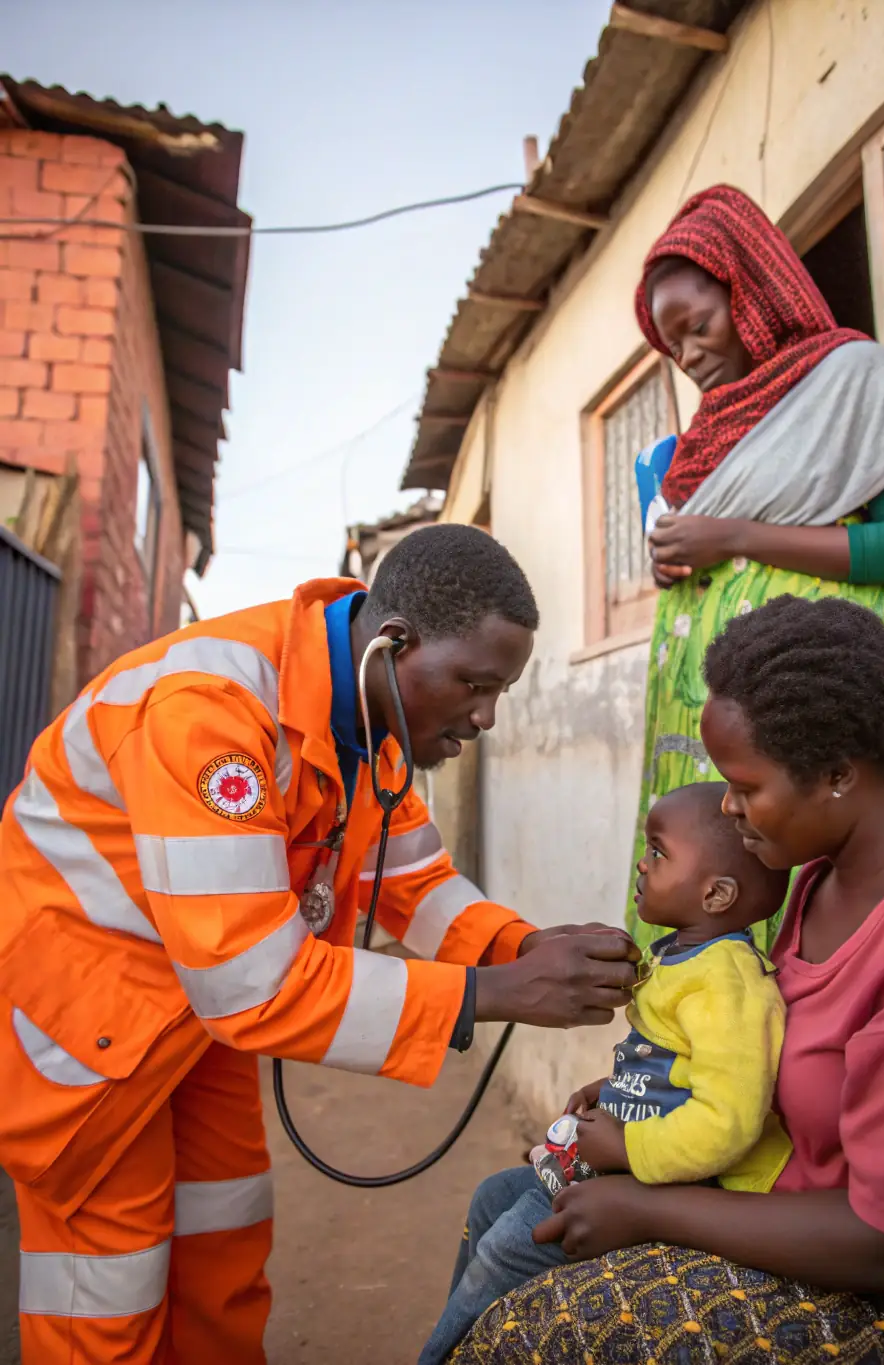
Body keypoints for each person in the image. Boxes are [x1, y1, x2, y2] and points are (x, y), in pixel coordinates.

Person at [0, 524, 639, 1365]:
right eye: (475, 684)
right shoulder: (207, 711)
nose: (485, 715)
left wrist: (524, 949)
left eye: (501, 690)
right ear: (393, 643)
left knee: (223, 1246)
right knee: (109, 1285)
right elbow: (250, 980)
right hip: (92, 1024)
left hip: (194, 1023)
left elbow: (416, 882)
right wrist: (498, 995)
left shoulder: (367, 719)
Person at [447, 595, 884, 1365]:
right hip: (775, 1203)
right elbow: (751, 1063)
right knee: (499, 1202)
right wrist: (642, 1094)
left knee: (536, 1322)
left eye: (746, 787)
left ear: (837, 775)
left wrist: (654, 1210)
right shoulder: (814, 878)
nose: (727, 806)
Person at [629, 183, 884, 954]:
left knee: (839, 926)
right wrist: (681, 563)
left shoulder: (854, 382)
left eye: (699, 325)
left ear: (752, 291)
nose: (690, 355)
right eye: (672, 345)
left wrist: (734, 535)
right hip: (708, 706)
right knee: (714, 899)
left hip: (809, 709)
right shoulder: (696, 442)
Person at [419, 782, 791, 1365]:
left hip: (678, 1184)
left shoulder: (728, 984)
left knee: (504, 1253)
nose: (643, 862)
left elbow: (727, 1122)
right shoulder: (683, 955)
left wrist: (625, 1144)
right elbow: (674, 1065)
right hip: (639, 1163)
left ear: (716, 894)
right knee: (493, 1198)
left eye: (660, 852)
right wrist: (612, 1090)